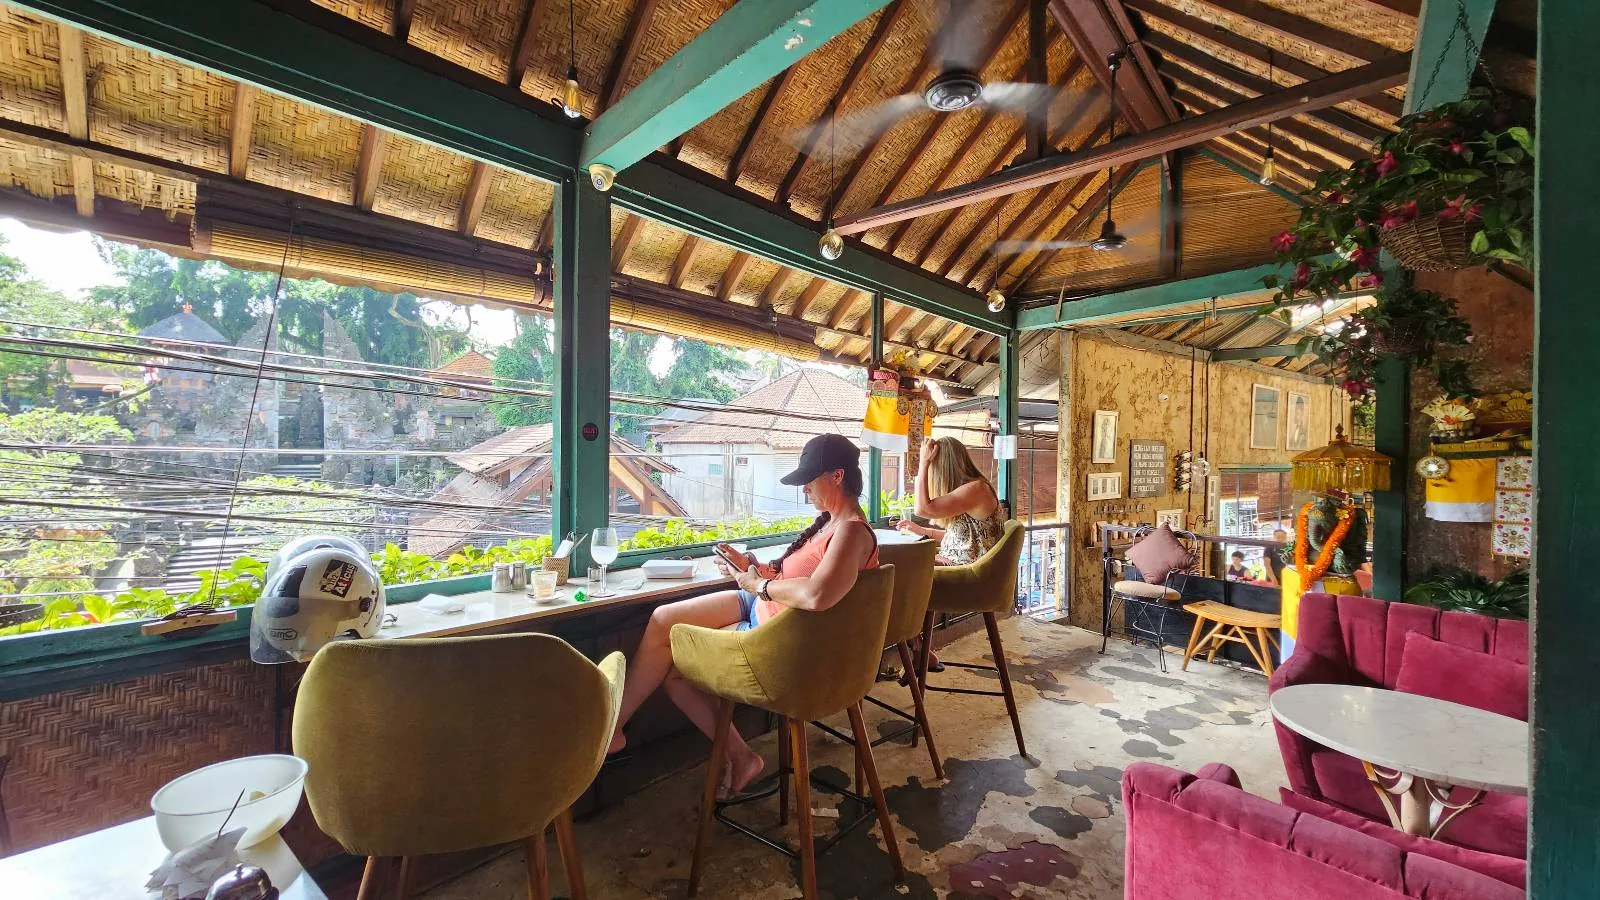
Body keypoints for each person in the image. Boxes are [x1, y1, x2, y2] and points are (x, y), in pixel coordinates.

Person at [606, 433, 878, 798]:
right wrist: (754, 568)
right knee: (661, 619)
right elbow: (802, 579)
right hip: (763, 608)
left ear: (837, 476)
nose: (804, 492)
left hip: (775, 642)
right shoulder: (830, 524)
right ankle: (616, 728)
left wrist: (758, 587)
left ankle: (735, 755)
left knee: (673, 668)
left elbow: (817, 594)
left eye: (808, 482)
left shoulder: (852, 533)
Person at [896, 436, 1008, 565]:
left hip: (966, 574)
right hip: (957, 565)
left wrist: (923, 464)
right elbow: (963, 539)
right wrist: (922, 531)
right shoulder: (971, 490)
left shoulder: (976, 489)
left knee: (899, 562)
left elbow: (921, 509)